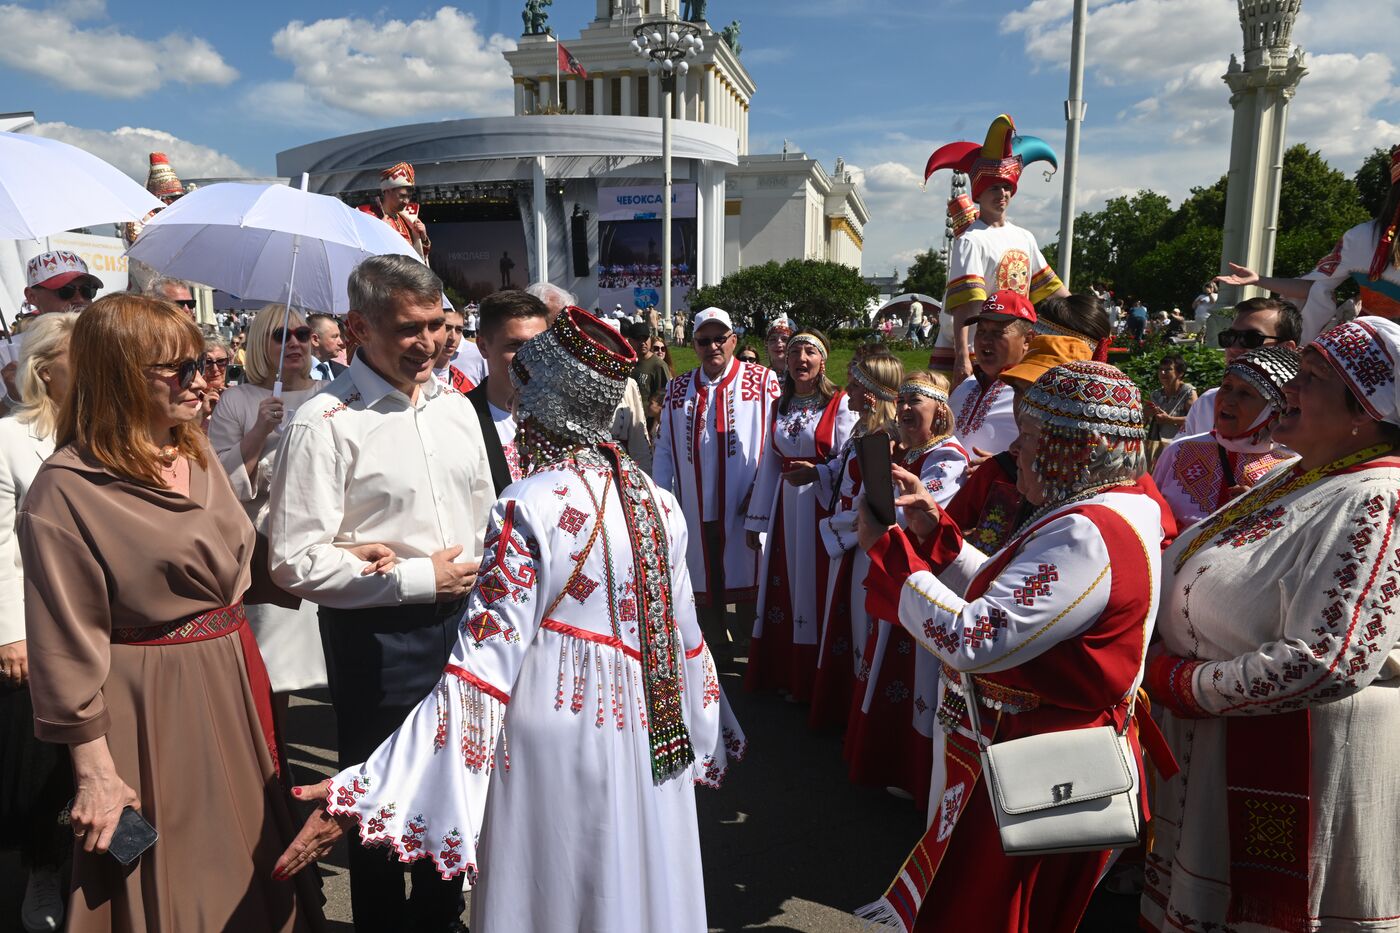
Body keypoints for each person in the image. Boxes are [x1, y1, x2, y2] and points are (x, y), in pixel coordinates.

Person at [273, 307, 745, 933]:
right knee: (634, 885)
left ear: (543, 403)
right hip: (648, 734)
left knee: (557, 891)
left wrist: (365, 789)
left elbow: (480, 674)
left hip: (555, 730)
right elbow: (689, 648)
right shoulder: (658, 504)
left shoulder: (528, 504)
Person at [17, 295, 321, 931]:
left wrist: (334, 560)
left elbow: (234, 564)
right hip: (148, 702)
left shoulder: (199, 453)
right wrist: (95, 774)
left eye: (204, 365)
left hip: (237, 678)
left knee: (256, 862)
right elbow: (64, 647)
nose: (203, 381)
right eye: (178, 369)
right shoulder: (66, 488)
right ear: (121, 374)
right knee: (177, 877)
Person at [854, 360, 1165, 933]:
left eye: (1028, 440)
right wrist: (935, 538)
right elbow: (1014, 601)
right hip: (1018, 745)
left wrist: (895, 557)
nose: (1013, 454)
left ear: (1077, 449)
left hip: (1036, 761)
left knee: (986, 911)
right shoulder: (1101, 507)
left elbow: (978, 638)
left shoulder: (1088, 531)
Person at [1142, 318, 1400, 933]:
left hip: (1301, 759)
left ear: (1364, 411)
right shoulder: (1301, 474)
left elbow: (1327, 659)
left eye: (1309, 381)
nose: (1290, 389)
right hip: (1224, 747)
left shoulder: (1378, 497)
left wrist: (1188, 685)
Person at [267, 255, 494, 932]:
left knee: (451, 786)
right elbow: (291, 559)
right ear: (360, 327)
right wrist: (417, 578)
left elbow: (487, 510)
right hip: (379, 636)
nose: (428, 342)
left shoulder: (456, 404)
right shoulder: (324, 421)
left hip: (468, 627)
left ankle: (438, 917)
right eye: (409, 328)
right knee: (377, 801)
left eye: (438, 325)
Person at [843, 369, 967, 802]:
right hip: (898, 570)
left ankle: (914, 774)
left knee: (914, 677)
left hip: (923, 577)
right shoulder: (911, 454)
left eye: (919, 401)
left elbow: (915, 516)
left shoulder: (947, 456)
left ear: (941, 412)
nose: (908, 408)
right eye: (905, 400)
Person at [208, 305, 329, 704]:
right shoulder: (237, 400)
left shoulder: (329, 396)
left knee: (331, 660)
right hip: (264, 545)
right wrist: (259, 432)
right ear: (261, 342)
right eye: (282, 335)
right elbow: (218, 484)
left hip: (324, 540)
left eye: (301, 333)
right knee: (270, 668)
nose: (295, 342)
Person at [0, 313, 77, 933]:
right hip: (38, 622)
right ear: (44, 367)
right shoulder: (10, 438)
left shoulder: (116, 431)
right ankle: (42, 866)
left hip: (109, 625)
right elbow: (1, 544)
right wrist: (9, 631)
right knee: (42, 759)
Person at [654, 307, 781, 662]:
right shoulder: (678, 387)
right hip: (693, 502)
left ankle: (752, 647)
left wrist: (762, 491)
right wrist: (663, 498)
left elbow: (775, 440)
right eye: (704, 340)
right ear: (693, 345)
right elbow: (664, 446)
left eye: (719, 339)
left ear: (733, 340)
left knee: (747, 571)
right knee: (701, 573)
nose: (713, 347)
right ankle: (711, 650)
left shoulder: (761, 381)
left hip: (744, 499)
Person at [744, 329, 857, 700]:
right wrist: (757, 521)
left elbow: (846, 458)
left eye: (810, 352)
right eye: (795, 353)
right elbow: (770, 463)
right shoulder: (781, 406)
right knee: (788, 587)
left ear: (823, 361)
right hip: (785, 508)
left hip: (820, 506)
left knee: (816, 589)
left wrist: (818, 473)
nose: (801, 359)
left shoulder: (839, 404)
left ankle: (816, 682)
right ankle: (787, 674)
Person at [922, 114, 1068, 380]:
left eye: (1006, 188)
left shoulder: (1025, 237)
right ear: (978, 193)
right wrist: (962, 357)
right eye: (993, 188)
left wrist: (1085, 312)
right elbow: (965, 305)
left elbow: (1050, 288)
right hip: (981, 350)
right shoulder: (970, 239)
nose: (1001, 195)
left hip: (1017, 348)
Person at [808, 352, 904, 731]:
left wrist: (836, 529)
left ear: (870, 394)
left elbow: (878, 502)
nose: (846, 389)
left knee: (862, 626)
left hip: (861, 545)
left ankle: (858, 718)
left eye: (854, 384)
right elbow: (842, 477)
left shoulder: (884, 440)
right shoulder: (862, 432)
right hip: (846, 542)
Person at [1216, 145, 1400, 341]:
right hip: (1372, 348)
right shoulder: (1362, 238)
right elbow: (1313, 287)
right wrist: (1259, 279)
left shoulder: (1361, 236)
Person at [1151, 346, 1298, 530]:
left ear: (1272, 409)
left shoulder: (1291, 468)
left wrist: (1260, 512)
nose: (1228, 400)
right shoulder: (1178, 452)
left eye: (1245, 393)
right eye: (1226, 386)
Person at [465, 290, 550, 494]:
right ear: (483, 346)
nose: (530, 357)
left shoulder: (567, 418)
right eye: (515, 345)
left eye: (539, 345)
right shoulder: (461, 416)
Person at [1181, 297, 1303, 436]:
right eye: (1229, 337)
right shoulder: (1207, 403)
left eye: (1251, 338)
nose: (1234, 347)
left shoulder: (1306, 416)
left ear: (1286, 349)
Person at [947, 290, 1034, 458]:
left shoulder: (1034, 393)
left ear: (1027, 340)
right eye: (981, 331)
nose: (985, 340)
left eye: (997, 333)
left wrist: (1002, 466)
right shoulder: (964, 386)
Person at [359, 162, 430, 259]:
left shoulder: (407, 220)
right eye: (402, 196)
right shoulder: (367, 215)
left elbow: (419, 259)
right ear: (387, 191)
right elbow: (359, 253)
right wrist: (379, 231)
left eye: (409, 197)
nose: (406, 201)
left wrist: (423, 238)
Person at [624, 321, 671, 435]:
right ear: (630, 341)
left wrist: (655, 426)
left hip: (647, 424)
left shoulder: (658, 365)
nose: (642, 343)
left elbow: (665, 397)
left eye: (645, 338)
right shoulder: (627, 362)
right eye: (638, 339)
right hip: (627, 420)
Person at [1145, 354, 1196, 442]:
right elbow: (1142, 424)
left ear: (1180, 373)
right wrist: (1145, 414)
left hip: (1181, 446)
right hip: (1157, 447)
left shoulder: (1188, 393)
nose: (1162, 373)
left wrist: (1170, 420)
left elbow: (1196, 419)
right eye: (1161, 369)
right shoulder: (1155, 395)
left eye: (1168, 369)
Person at [432, 305, 472, 393]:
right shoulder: (408, 380)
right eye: (447, 328)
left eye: (459, 330)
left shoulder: (467, 386)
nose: (453, 337)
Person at [200, 333, 231, 427]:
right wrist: (201, 413)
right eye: (207, 362)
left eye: (221, 361)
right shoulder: (188, 400)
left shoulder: (240, 395)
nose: (215, 368)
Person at [306, 312, 348, 380]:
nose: (341, 342)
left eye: (339, 336)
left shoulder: (345, 372)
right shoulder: (292, 373)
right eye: (335, 336)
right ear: (315, 340)